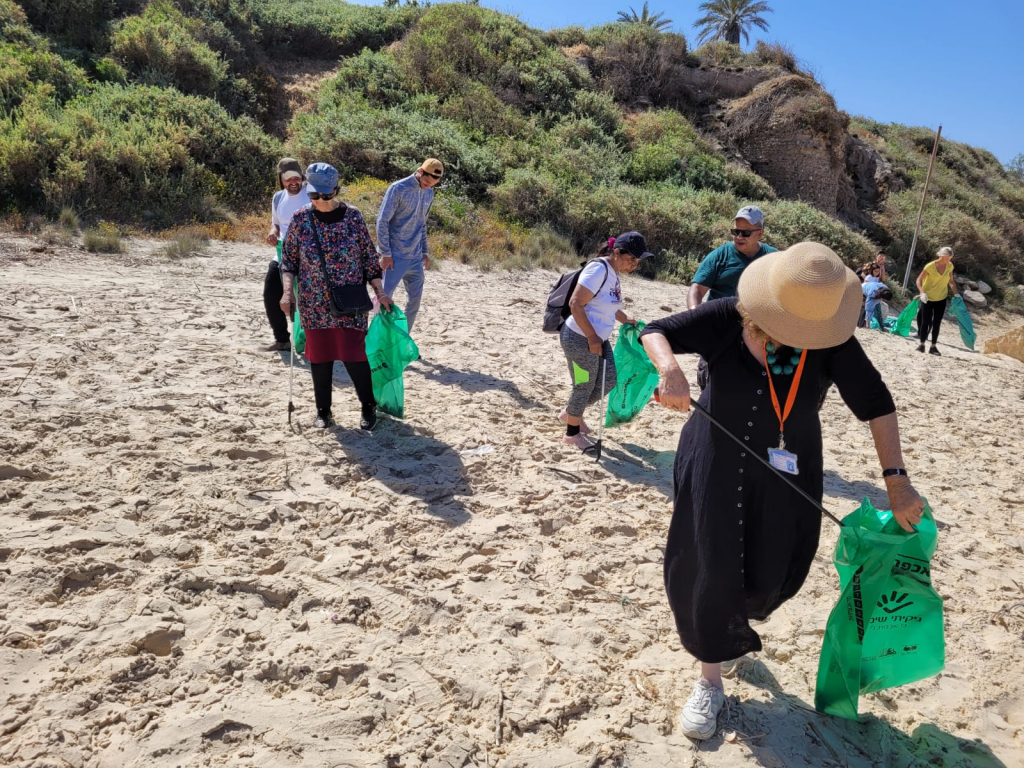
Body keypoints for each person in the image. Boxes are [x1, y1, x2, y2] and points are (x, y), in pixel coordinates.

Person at [639, 242, 924, 741]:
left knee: (773, 564)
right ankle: (710, 675)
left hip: (787, 467)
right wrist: (670, 369)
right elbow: (655, 330)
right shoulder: (730, 312)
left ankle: (728, 631)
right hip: (715, 457)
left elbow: (877, 403)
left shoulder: (830, 336)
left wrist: (896, 482)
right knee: (710, 558)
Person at [280, 163, 393, 430]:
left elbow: (369, 261)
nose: (320, 201)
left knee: (354, 355)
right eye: (314, 195)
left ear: (336, 190)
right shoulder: (300, 219)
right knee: (319, 357)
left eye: (326, 196)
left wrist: (381, 292)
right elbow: (289, 262)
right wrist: (287, 292)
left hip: (350, 302)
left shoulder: (353, 217)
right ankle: (323, 412)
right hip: (312, 302)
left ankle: (368, 406)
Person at [558, 232, 650, 451]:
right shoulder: (598, 269)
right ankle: (572, 434)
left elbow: (607, 305)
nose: (635, 265)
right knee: (584, 385)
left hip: (598, 339)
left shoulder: (613, 272)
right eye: (632, 259)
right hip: (579, 338)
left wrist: (625, 318)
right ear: (617, 252)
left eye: (638, 262)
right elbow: (575, 304)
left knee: (608, 381)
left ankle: (571, 413)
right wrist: (591, 337)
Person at [687, 206, 777, 389]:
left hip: (757, 338)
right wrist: (695, 316)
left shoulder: (774, 259)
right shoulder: (721, 255)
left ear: (760, 234)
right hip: (719, 333)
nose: (739, 237)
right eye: (735, 231)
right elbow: (696, 289)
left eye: (745, 232)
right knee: (711, 389)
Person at [376, 158, 443, 334]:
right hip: (394, 256)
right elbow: (382, 221)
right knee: (384, 300)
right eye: (427, 181)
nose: (428, 185)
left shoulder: (429, 194)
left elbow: (422, 224)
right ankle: (379, 343)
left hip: (415, 257)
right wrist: (385, 253)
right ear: (420, 171)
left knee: (414, 301)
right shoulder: (398, 188)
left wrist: (425, 251)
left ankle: (403, 340)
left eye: (433, 183)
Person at [262, 158, 311, 351]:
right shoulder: (277, 198)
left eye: (296, 178)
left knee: (306, 301)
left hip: (307, 257)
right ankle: (282, 339)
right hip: (282, 254)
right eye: (288, 179)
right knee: (270, 294)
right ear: (281, 179)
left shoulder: (311, 195)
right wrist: (273, 231)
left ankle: (310, 342)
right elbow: (276, 222)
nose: (293, 182)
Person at [915, 246, 959, 356]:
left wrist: (956, 294)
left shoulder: (950, 266)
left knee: (937, 323)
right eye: (946, 258)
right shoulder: (930, 266)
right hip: (927, 298)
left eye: (950, 258)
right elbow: (919, 280)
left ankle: (933, 346)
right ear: (940, 256)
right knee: (926, 321)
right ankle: (922, 344)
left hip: (941, 298)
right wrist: (922, 292)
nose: (948, 260)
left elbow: (951, 281)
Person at [861, 262, 887, 330]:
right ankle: (867, 324)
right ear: (872, 270)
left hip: (875, 296)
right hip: (868, 295)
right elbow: (866, 286)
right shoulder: (869, 277)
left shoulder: (877, 279)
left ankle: (878, 325)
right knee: (869, 310)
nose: (876, 273)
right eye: (875, 271)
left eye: (878, 271)